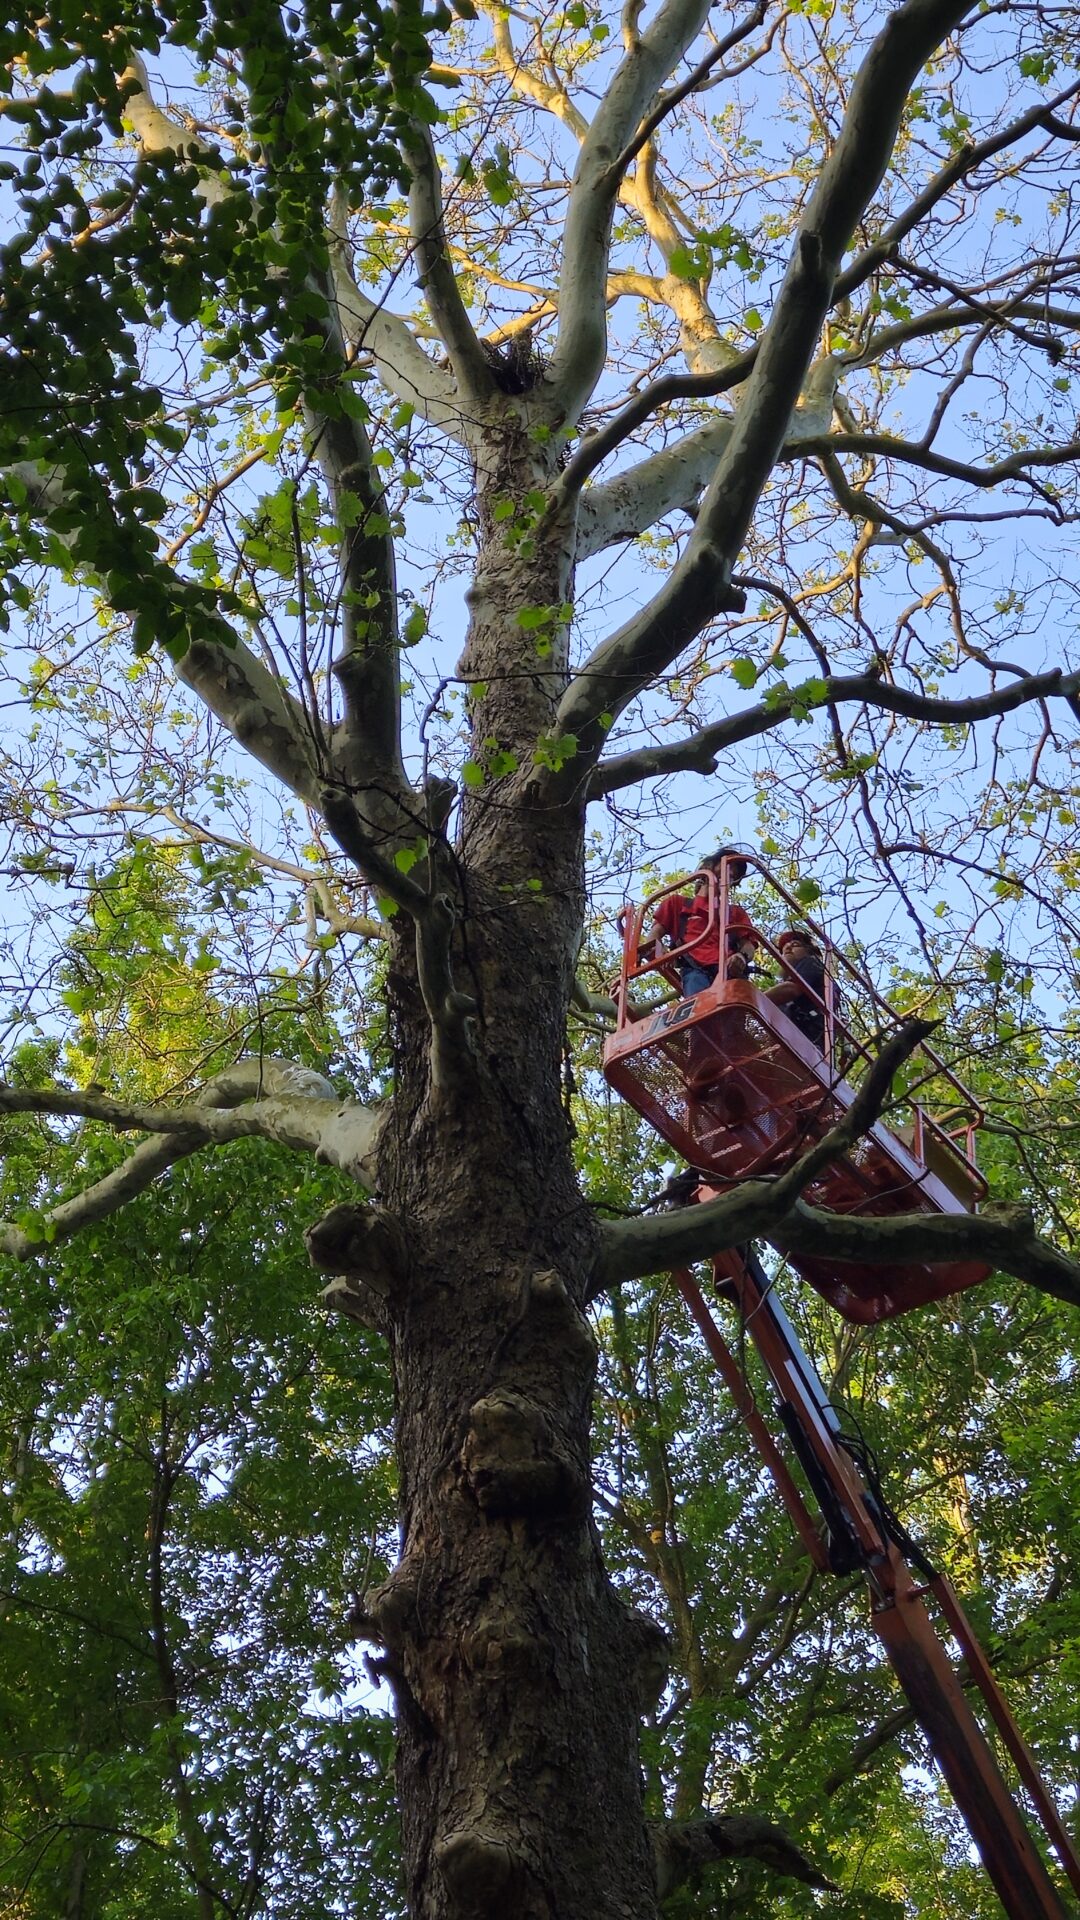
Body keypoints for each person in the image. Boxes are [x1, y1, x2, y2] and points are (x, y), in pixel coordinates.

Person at [650, 848, 758, 997]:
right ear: (709, 866)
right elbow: (654, 935)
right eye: (727, 866)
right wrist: (658, 949)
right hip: (695, 971)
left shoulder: (734, 913)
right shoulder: (677, 904)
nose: (731, 873)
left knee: (736, 1012)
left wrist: (742, 957)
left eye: (735, 874)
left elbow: (748, 945)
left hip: (731, 974)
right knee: (702, 1009)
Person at [766, 928, 831, 1049]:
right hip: (794, 1040)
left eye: (795, 945)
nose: (788, 947)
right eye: (784, 948)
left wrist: (754, 999)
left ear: (809, 951)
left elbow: (791, 989)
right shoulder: (789, 979)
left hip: (807, 1038)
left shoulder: (811, 963)